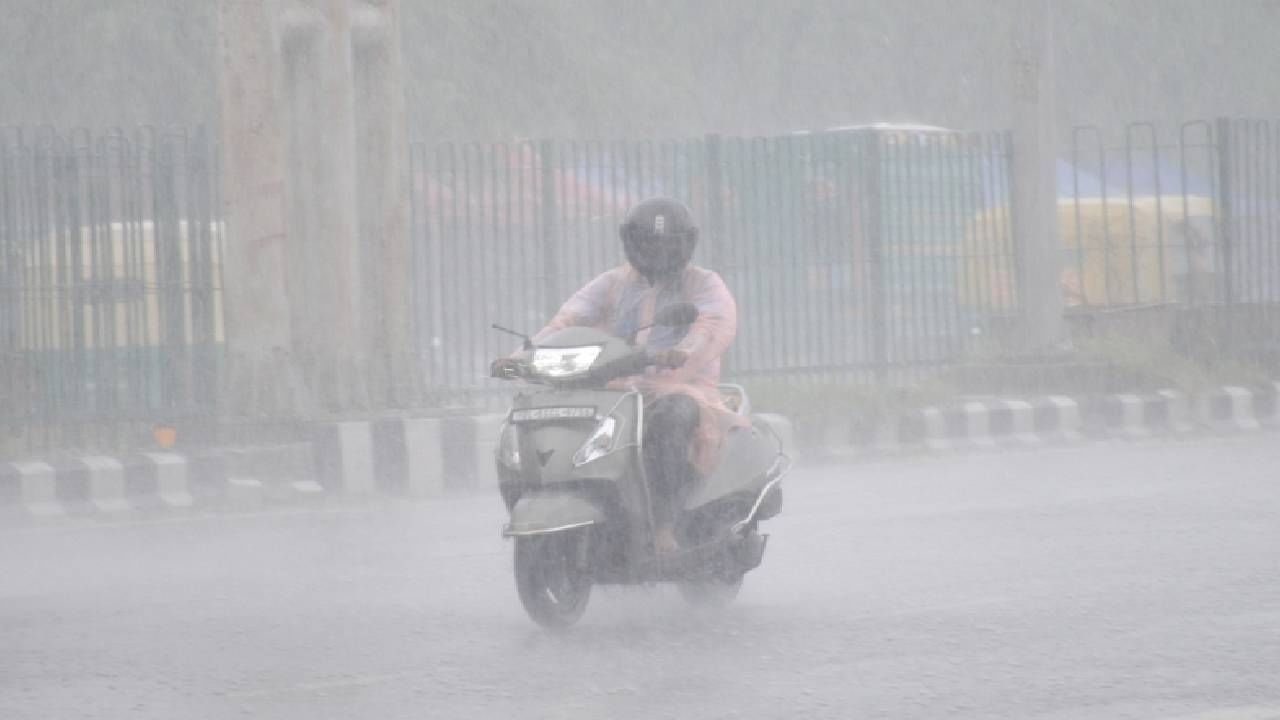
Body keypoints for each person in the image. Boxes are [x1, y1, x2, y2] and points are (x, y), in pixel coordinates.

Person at [492, 197, 742, 553]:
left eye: (667, 243)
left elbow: (713, 326)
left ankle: (664, 524)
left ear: (686, 244)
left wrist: (682, 353)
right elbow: (567, 321)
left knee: (671, 420)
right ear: (630, 241)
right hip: (616, 388)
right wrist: (520, 359)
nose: (657, 251)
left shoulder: (703, 284)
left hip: (681, 389)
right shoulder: (613, 283)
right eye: (648, 242)